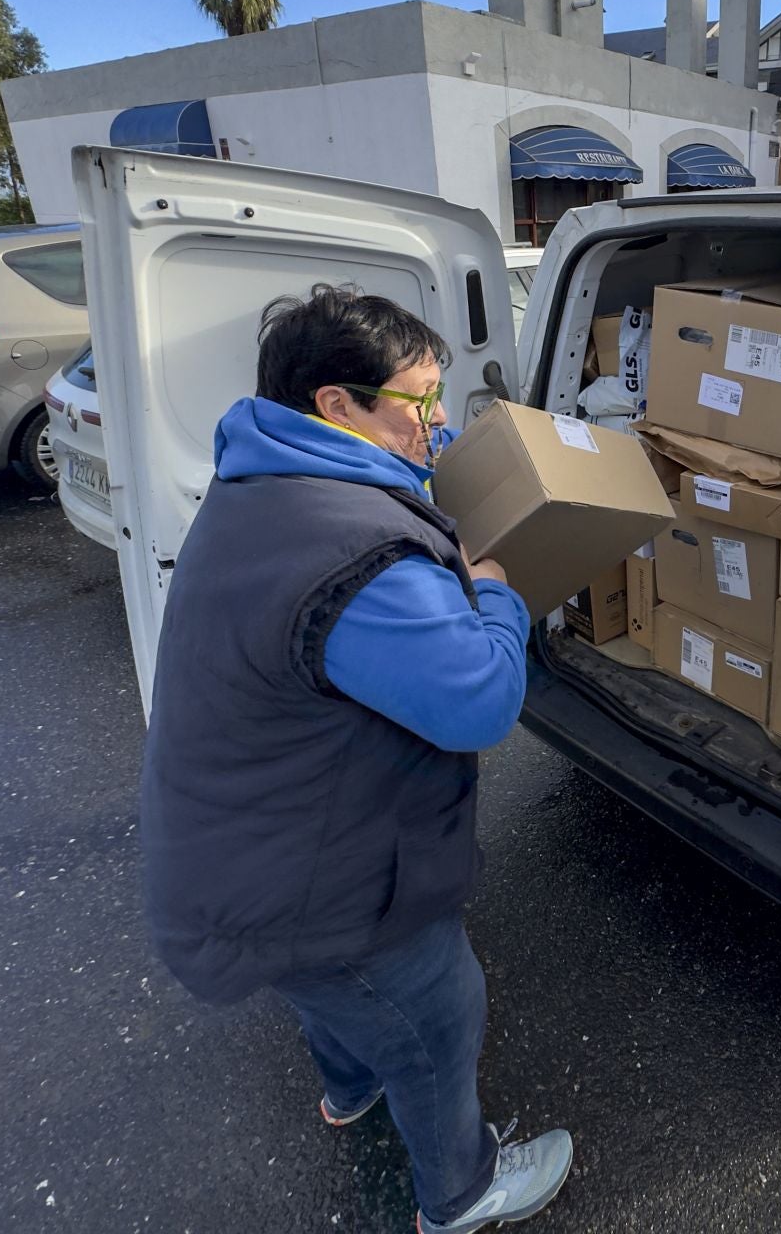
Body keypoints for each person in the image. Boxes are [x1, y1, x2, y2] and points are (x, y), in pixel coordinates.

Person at [138, 285, 573, 1232]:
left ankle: (348, 1090)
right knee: (435, 1013)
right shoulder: (355, 552)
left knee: (332, 995)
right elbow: (480, 704)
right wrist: (496, 593)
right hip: (309, 881)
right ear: (338, 405)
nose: (438, 425)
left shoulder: (268, 480)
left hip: (238, 852)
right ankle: (460, 1194)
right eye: (419, 402)